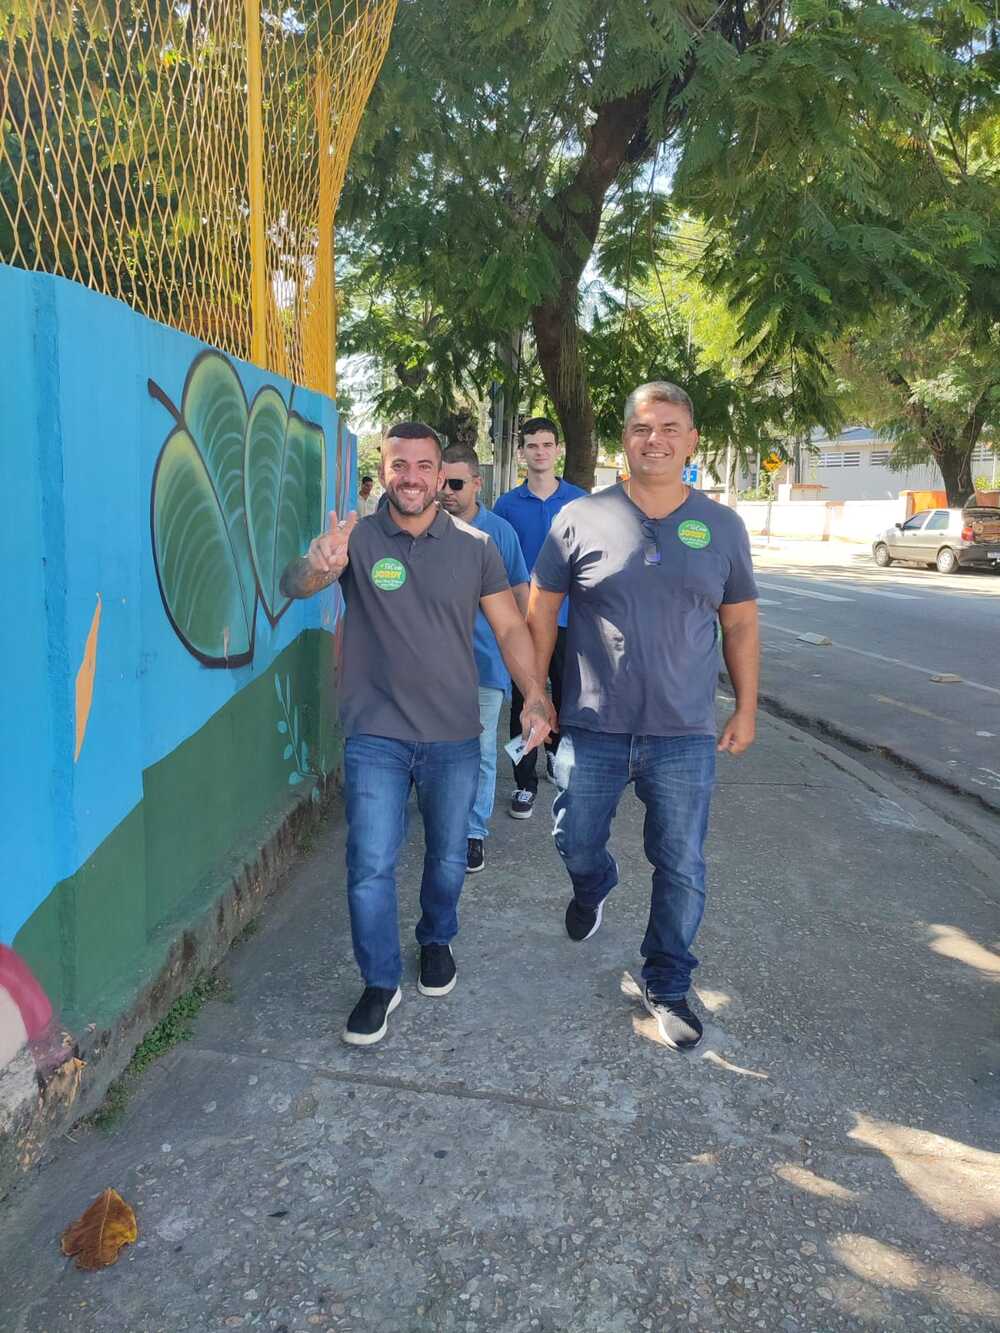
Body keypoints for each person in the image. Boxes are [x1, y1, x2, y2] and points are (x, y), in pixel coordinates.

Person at [280, 422, 553, 1047]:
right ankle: (379, 981)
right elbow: (295, 584)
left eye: (423, 466)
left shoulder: (475, 545)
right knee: (369, 863)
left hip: (453, 733)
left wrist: (534, 693)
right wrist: (318, 565)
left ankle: (436, 940)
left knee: (448, 855)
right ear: (386, 465)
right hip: (375, 734)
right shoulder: (357, 538)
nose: (410, 476)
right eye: (398, 464)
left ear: (441, 475)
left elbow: (511, 628)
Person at [528, 382, 759, 1052]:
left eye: (670, 427)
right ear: (622, 439)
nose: (654, 438)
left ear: (691, 440)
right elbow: (542, 607)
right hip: (594, 725)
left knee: (681, 862)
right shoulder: (579, 518)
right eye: (640, 427)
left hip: (683, 733)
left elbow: (739, 624)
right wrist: (538, 692)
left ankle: (667, 980)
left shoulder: (722, 526)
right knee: (574, 839)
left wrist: (745, 706)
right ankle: (594, 881)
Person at [438, 445, 530, 874]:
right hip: (430, 669)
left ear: (477, 483)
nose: (447, 493)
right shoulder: (425, 528)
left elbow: (520, 598)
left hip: (485, 665)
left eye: (456, 484)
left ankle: (473, 832)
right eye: (441, 483)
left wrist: (529, 669)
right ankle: (445, 819)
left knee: (480, 751)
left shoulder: (499, 533)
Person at [492, 417, 586, 819]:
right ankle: (525, 782)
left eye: (548, 445)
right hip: (521, 621)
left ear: (558, 450)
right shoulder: (506, 506)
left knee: (566, 696)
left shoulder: (580, 501)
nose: (541, 452)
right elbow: (495, 565)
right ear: (522, 453)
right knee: (525, 697)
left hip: (568, 619)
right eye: (533, 446)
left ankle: (556, 758)